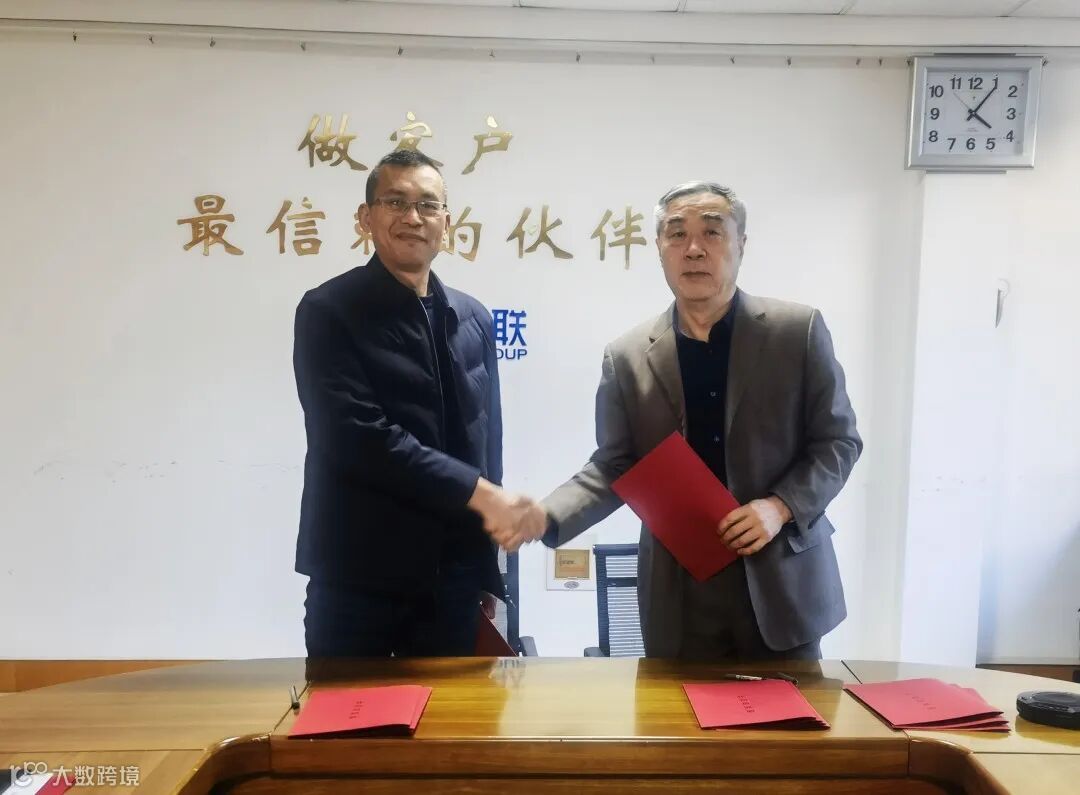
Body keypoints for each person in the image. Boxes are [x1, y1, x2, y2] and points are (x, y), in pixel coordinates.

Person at [542, 181, 862, 660]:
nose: (693, 249)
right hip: (679, 593)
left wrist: (780, 507)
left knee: (789, 711)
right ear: (659, 248)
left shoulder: (797, 332)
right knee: (677, 711)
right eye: (676, 234)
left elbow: (838, 442)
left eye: (712, 232)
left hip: (780, 581)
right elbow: (615, 465)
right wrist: (545, 516)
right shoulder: (626, 356)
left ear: (740, 244)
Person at [293, 149, 544, 658]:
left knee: (455, 713)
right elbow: (360, 438)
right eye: (395, 202)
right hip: (358, 581)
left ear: (446, 223)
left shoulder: (473, 318)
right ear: (365, 218)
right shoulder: (328, 311)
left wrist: (487, 568)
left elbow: (486, 444)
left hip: (454, 584)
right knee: (349, 710)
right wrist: (480, 493)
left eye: (428, 205)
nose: (413, 217)